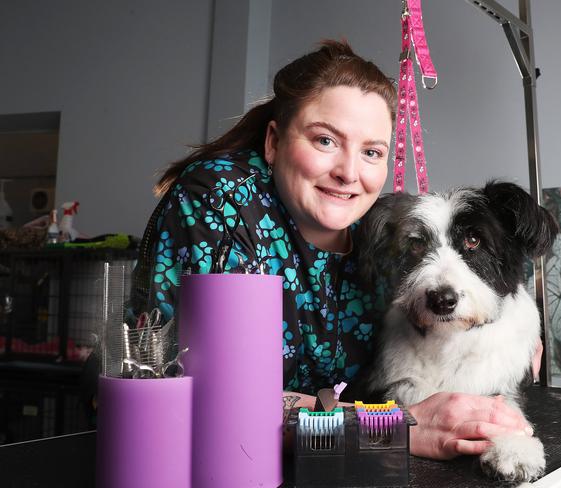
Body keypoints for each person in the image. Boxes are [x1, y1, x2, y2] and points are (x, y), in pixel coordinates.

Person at [134, 40, 536, 460]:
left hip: (313, 462)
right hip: (193, 461)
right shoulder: (221, 200)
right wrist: (397, 429)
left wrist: (520, 330)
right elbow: (218, 402)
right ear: (273, 142)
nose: (348, 173)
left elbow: (470, 279)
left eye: (371, 152)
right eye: (325, 141)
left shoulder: (381, 232)